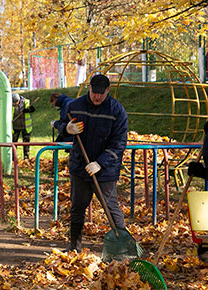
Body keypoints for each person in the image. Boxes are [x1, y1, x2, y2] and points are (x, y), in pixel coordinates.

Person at [57, 74, 128, 252]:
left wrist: (100, 163)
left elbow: (119, 143)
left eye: (101, 94)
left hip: (105, 171)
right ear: (89, 88)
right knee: (77, 207)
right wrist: (66, 128)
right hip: (80, 167)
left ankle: (123, 249)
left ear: (108, 91)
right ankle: (74, 247)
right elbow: (61, 124)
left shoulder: (116, 111)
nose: (97, 97)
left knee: (111, 208)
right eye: (94, 92)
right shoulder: (75, 106)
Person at [12, 93, 35, 159]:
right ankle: (13, 158)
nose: (15, 104)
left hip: (25, 127)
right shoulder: (9, 104)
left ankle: (26, 157)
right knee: (14, 142)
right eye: (13, 103)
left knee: (26, 143)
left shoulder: (25, 102)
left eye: (16, 102)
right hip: (15, 127)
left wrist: (29, 110)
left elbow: (32, 109)